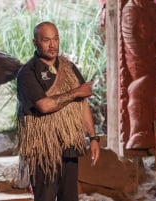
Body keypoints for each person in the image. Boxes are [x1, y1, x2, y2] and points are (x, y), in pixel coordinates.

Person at [16, 21, 100, 201]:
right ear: (35, 42)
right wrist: (76, 91)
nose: (52, 44)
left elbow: (82, 103)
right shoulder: (27, 73)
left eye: (56, 39)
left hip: (69, 145)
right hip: (43, 149)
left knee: (69, 197)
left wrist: (93, 138)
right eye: (46, 40)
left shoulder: (69, 68)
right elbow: (44, 106)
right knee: (45, 197)